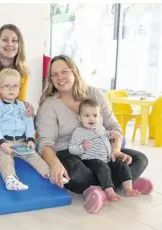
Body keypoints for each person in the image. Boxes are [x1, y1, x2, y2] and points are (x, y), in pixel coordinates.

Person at [36, 55, 153, 214]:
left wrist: (116, 149)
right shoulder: (49, 105)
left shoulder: (95, 94)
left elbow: (113, 127)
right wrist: (55, 163)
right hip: (69, 152)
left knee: (140, 159)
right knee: (75, 174)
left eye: (64, 71)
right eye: (54, 74)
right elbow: (45, 143)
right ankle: (123, 183)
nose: (59, 77)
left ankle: (98, 189)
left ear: (75, 72)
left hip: (100, 152)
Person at [0, 68, 52, 191]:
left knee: (34, 156)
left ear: (19, 89)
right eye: (7, 86)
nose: (11, 89)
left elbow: (29, 124)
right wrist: (2, 143)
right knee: (5, 159)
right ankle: (10, 179)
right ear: (0, 89)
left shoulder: (24, 106)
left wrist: (30, 139)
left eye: (15, 86)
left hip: (21, 141)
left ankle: (49, 174)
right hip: (3, 142)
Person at [69, 99, 141, 202]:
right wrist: (82, 147)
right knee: (102, 167)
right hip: (91, 160)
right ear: (79, 117)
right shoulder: (79, 132)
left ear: (100, 117)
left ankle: (128, 189)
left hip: (106, 158)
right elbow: (72, 149)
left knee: (121, 164)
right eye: (87, 115)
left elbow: (105, 134)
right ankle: (109, 192)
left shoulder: (100, 128)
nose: (91, 119)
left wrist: (111, 134)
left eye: (95, 115)